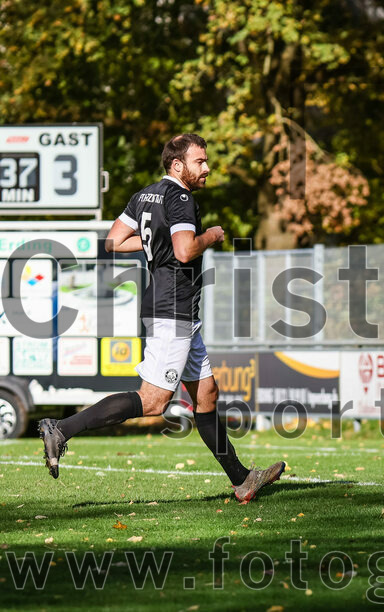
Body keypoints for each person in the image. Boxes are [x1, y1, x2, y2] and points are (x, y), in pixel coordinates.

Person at [39, 134, 285, 504]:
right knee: (153, 401)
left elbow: (114, 241)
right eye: (200, 161)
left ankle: (243, 480)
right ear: (177, 165)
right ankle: (61, 428)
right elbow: (185, 251)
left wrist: (157, 241)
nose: (207, 168)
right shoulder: (181, 198)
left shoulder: (145, 195)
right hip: (173, 311)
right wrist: (210, 236)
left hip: (174, 310)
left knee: (207, 393)